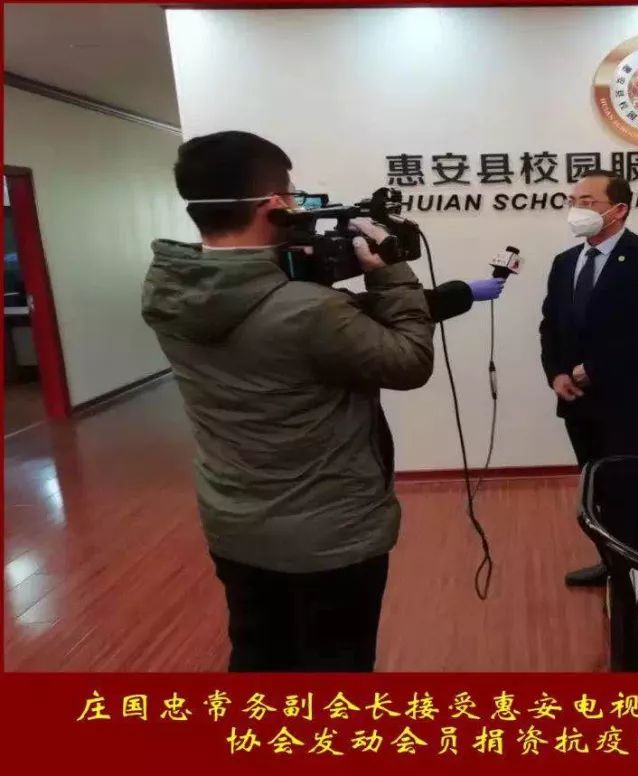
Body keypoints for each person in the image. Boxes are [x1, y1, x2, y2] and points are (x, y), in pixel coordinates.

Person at [142, 131, 498, 671]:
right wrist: (390, 273)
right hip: (328, 535)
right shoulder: (308, 310)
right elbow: (408, 361)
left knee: (258, 656)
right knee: (336, 664)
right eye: (292, 193)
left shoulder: (170, 288)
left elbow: (296, 328)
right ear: (273, 205)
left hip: (233, 521)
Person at [539, 170, 638, 587]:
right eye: (572, 201)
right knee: (596, 489)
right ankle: (612, 564)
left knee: (631, 488)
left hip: (630, 398)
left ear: (618, 209)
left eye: (587, 202)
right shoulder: (565, 262)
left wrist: (596, 368)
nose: (575, 210)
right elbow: (550, 325)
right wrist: (556, 373)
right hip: (577, 399)